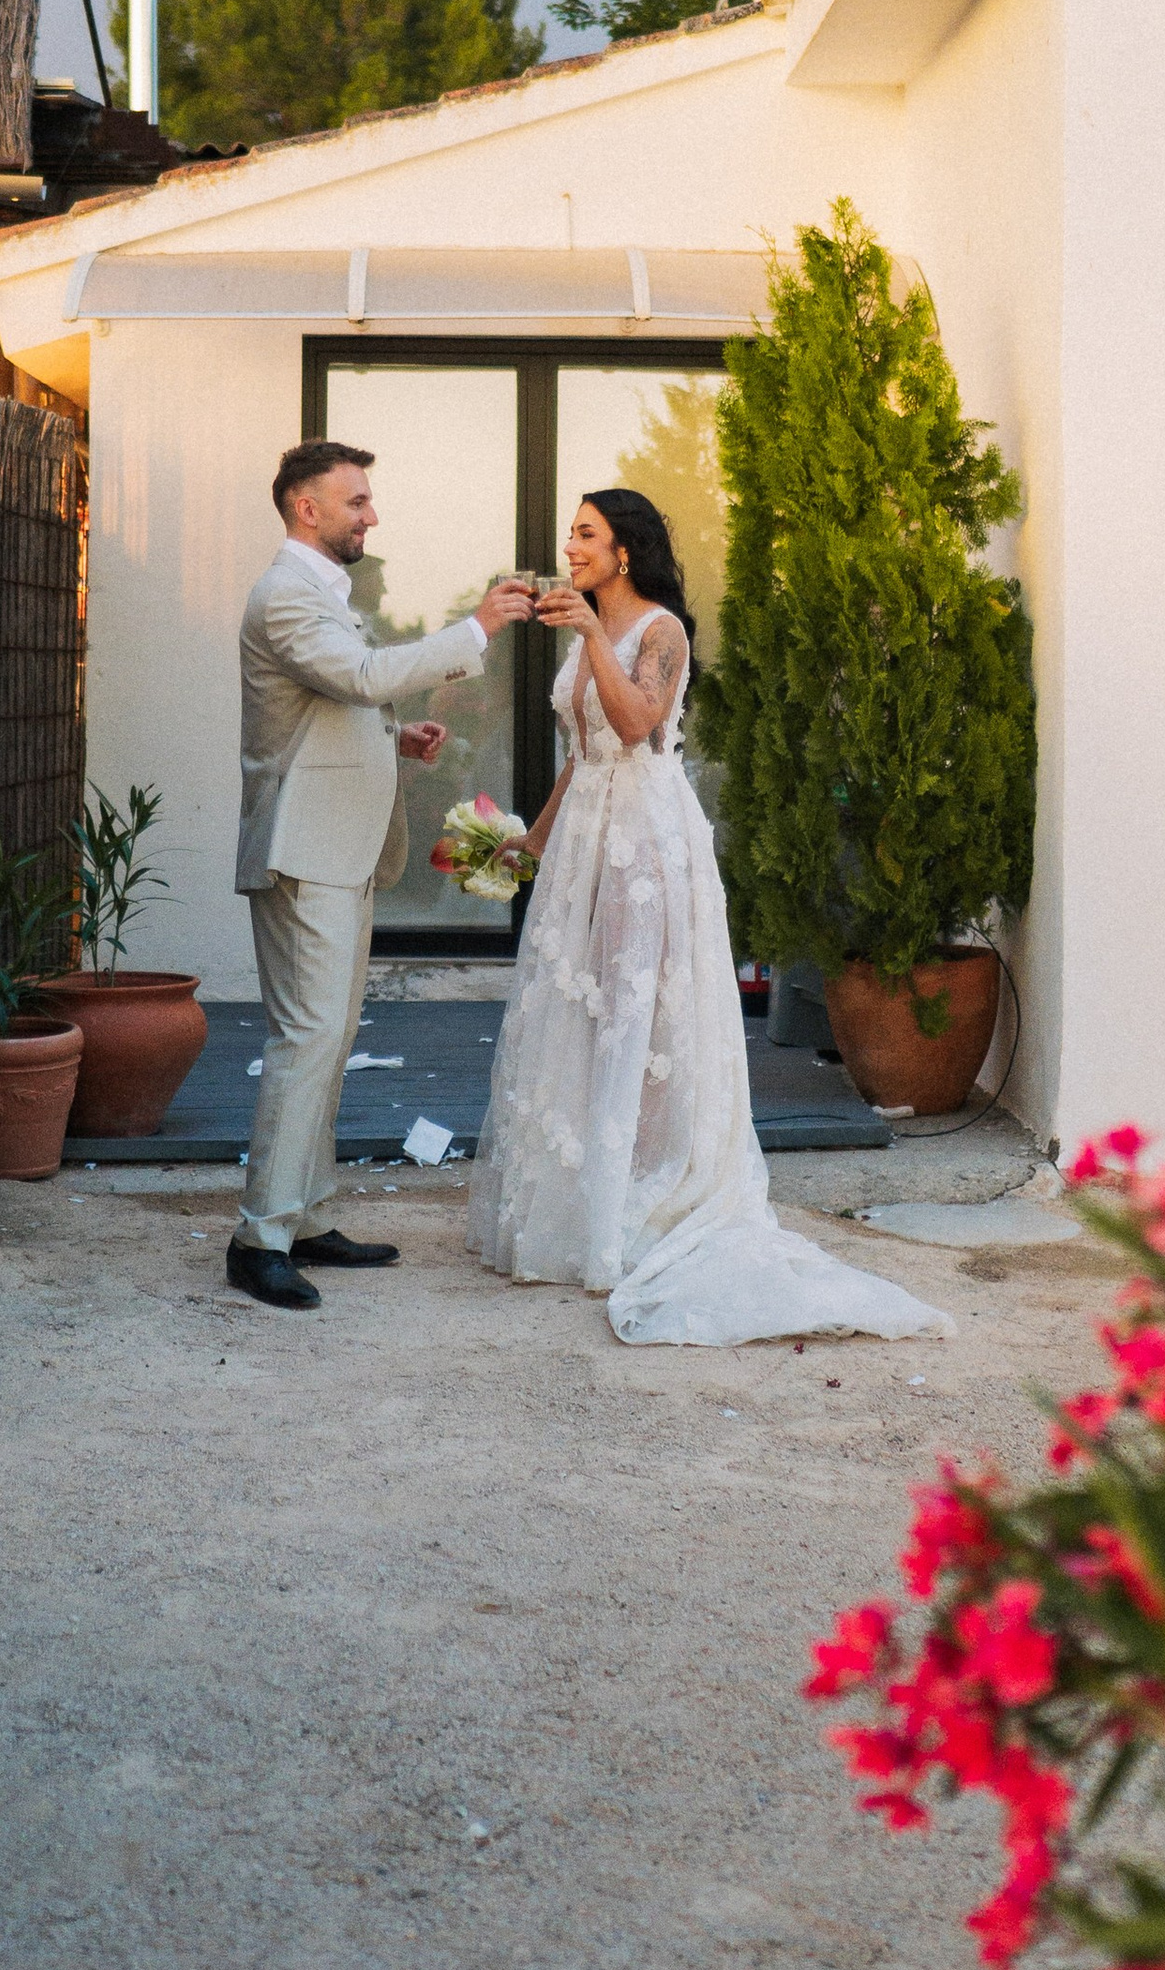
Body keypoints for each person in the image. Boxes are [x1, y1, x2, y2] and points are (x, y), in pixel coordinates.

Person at [468, 487, 951, 1349]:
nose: (570, 546)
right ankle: (584, 1199)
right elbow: (581, 758)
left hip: (648, 846)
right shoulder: (586, 636)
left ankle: (645, 1194)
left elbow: (637, 722)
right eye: (571, 534)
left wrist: (587, 634)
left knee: (641, 1016)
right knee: (579, 1012)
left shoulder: (659, 632)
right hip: (585, 841)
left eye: (586, 534)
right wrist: (528, 844)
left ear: (625, 551)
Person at [231, 440, 531, 1311]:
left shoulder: (320, 593)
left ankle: (308, 1215)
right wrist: (479, 627)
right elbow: (358, 675)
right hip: (306, 850)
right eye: (356, 501)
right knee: (308, 1039)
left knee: (327, 1037)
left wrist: (395, 738)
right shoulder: (285, 593)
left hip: (338, 846)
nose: (372, 515)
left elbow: (323, 706)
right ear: (306, 509)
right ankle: (260, 1237)